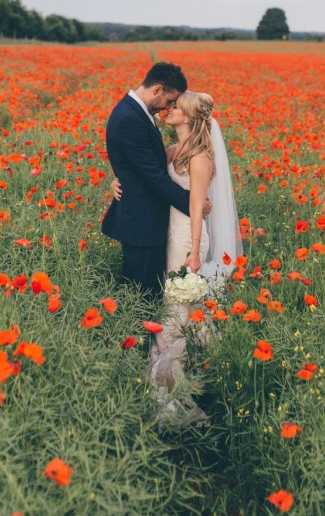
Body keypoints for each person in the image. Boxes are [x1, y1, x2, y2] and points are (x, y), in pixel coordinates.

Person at [112, 90, 243, 423]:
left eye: (176, 108)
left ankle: (172, 382)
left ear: (190, 117)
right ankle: (180, 373)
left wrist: (196, 252)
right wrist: (115, 183)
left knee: (177, 308)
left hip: (187, 238)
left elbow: (197, 208)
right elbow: (147, 178)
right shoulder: (172, 151)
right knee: (173, 305)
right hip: (167, 234)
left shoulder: (200, 157)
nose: (169, 110)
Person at [102, 61, 199, 298]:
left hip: (145, 220)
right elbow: (152, 176)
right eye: (168, 101)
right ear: (157, 89)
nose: (167, 108)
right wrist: (193, 203)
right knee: (142, 295)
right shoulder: (130, 118)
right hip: (142, 224)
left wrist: (123, 176)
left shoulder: (135, 112)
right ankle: (139, 336)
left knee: (146, 292)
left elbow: (142, 165)